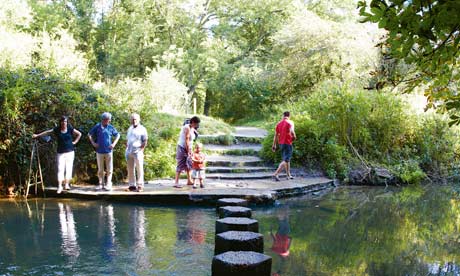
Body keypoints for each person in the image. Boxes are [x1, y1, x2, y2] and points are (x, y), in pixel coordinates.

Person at [32, 116, 82, 194]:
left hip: (70, 152)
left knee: (69, 168)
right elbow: (47, 132)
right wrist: (37, 135)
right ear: (60, 122)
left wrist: (75, 142)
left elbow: (79, 134)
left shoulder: (70, 128)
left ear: (67, 122)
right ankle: (59, 186)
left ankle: (67, 184)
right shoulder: (57, 129)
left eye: (65, 121)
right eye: (62, 122)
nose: (64, 123)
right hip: (60, 152)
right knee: (60, 169)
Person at [88, 112, 120, 191]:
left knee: (109, 169)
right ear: (103, 119)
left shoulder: (110, 127)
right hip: (99, 151)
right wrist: (93, 143)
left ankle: (109, 183)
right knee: (100, 169)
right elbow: (89, 134)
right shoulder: (97, 126)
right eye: (107, 120)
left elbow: (118, 135)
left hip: (109, 151)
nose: (108, 121)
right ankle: (100, 183)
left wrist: (113, 144)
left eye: (109, 120)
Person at [174, 116, 200, 188]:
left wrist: (190, 150)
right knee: (180, 164)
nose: (197, 125)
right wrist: (188, 150)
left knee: (189, 164)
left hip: (188, 147)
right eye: (196, 124)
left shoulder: (192, 128)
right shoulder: (187, 128)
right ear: (193, 122)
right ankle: (176, 182)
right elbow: (186, 140)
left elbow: (192, 140)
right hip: (182, 148)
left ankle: (189, 180)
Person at [125, 113, 148, 192]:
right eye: (132, 119)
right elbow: (127, 139)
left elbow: (145, 141)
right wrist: (127, 148)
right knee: (130, 169)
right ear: (130, 120)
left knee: (139, 169)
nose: (134, 121)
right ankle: (132, 185)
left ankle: (140, 185)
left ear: (139, 120)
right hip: (129, 151)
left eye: (135, 119)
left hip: (137, 151)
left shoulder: (142, 129)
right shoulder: (129, 128)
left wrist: (141, 149)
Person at [272, 111, 296, 181]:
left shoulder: (279, 124)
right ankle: (276, 173)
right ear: (289, 116)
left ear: (283, 116)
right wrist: (294, 138)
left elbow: (276, 135)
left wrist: (274, 145)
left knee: (287, 160)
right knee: (286, 160)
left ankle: (288, 175)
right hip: (288, 143)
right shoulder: (290, 122)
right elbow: (292, 132)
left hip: (281, 144)